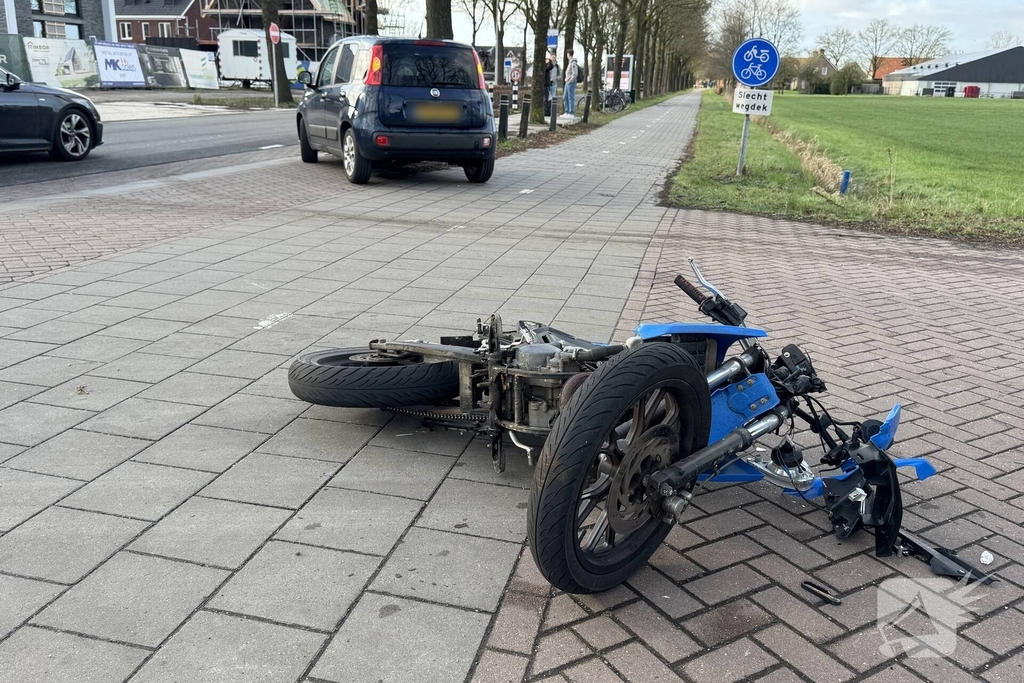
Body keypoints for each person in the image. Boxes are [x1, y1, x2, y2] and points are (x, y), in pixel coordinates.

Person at [562, 50, 579, 118]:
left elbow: (575, 73)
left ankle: (571, 112)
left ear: (568, 54)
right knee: (565, 97)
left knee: (570, 97)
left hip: (570, 83)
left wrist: (570, 80)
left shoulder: (573, 63)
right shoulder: (570, 62)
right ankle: (567, 111)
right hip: (567, 82)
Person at [544, 53, 560, 117]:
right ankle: (547, 111)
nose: (553, 58)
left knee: (552, 98)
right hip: (547, 83)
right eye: (552, 57)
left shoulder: (557, 66)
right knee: (547, 98)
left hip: (553, 83)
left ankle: (552, 111)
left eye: (554, 57)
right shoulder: (547, 65)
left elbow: (560, 75)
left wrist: (555, 78)